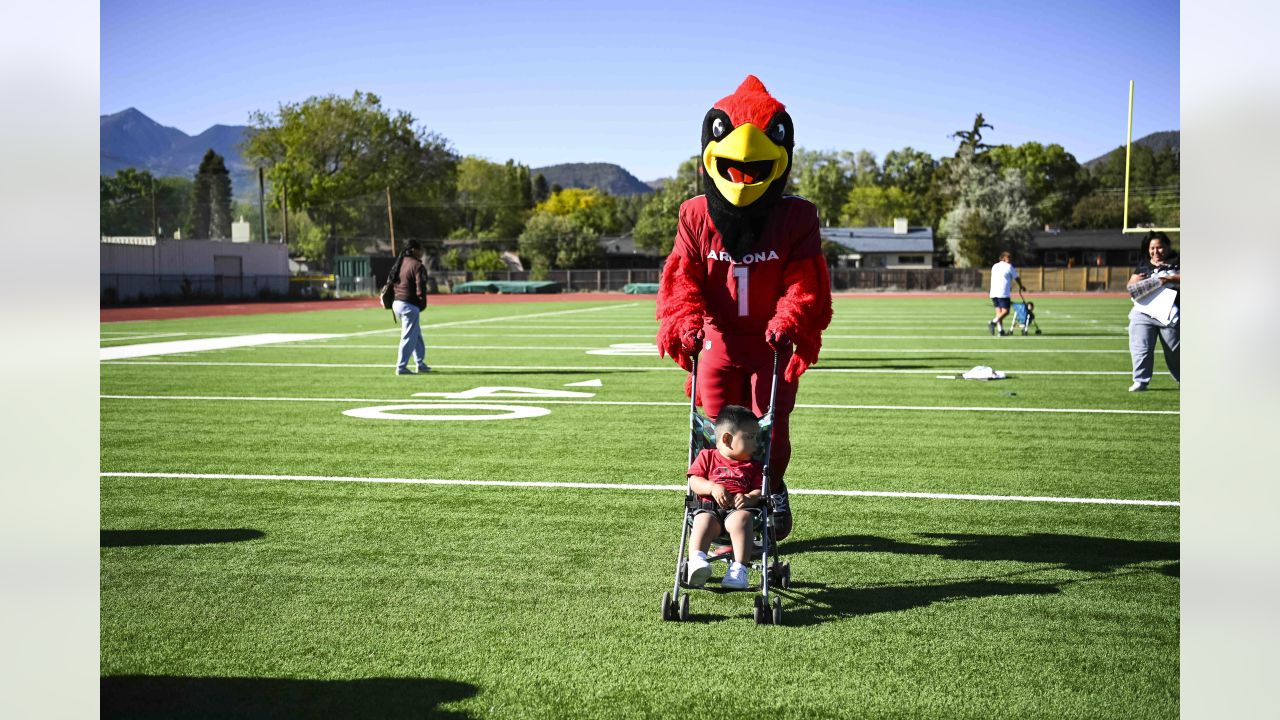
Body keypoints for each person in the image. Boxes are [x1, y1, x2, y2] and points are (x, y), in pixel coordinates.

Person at [656, 76, 834, 544]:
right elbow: (682, 278)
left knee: (769, 434)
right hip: (715, 341)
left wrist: (789, 318)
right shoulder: (694, 214)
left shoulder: (797, 215)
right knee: (716, 434)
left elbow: (805, 280)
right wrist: (686, 322)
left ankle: (771, 490)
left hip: (770, 344)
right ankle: (710, 503)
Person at [685, 405, 764, 590]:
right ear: (727, 439)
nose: (756, 444)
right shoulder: (707, 456)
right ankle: (697, 561)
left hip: (738, 510)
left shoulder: (754, 466)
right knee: (702, 520)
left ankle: (738, 569)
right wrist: (712, 487)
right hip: (708, 508)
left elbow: (760, 490)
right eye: (750, 437)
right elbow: (694, 481)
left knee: (742, 519)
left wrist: (748, 497)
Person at [1126, 231, 1180, 392]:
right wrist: (1135, 282)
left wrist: (1169, 278)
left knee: (1174, 349)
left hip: (1168, 312)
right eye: (1152, 248)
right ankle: (1140, 381)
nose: (1156, 252)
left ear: (1168, 247)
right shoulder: (1144, 264)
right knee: (1140, 347)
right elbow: (1130, 286)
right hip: (1143, 311)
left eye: (1160, 248)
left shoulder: (1177, 261)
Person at [391, 240, 431, 375]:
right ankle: (401, 367)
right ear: (414, 250)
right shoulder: (417, 265)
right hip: (409, 304)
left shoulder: (401, 262)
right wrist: (422, 302)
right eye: (420, 249)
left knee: (415, 333)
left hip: (397, 303)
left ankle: (420, 363)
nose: (422, 252)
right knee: (408, 336)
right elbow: (421, 287)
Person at [988, 251, 1026, 336]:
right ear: (1004, 258)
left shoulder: (995, 266)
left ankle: (1000, 331)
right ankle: (992, 322)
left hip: (993, 292)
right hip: (1003, 292)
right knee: (1006, 311)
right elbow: (1016, 277)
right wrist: (1021, 286)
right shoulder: (1009, 267)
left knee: (999, 313)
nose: (1011, 259)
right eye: (1009, 258)